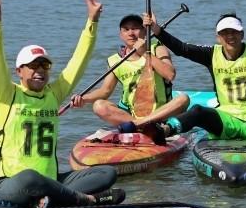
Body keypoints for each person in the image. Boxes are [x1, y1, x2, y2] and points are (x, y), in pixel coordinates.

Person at [0, 0, 123, 207]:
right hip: (12, 184)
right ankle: (83, 200)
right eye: (33, 66)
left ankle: (49, 200)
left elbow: (78, 62)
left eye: (45, 66)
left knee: (107, 173)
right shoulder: (7, 94)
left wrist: (92, 21)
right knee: (30, 177)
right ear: (19, 71)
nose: (40, 70)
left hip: (51, 182)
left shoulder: (53, 94)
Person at [148, 13, 246, 144]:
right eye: (225, 33)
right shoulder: (211, 54)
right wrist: (158, 31)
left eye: (234, 32)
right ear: (218, 37)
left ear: (242, 34)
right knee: (198, 111)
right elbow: (182, 49)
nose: (230, 36)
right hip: (225, 120)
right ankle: (165, 130)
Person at [67, 12, 190, 142]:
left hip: (161, 115)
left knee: (183, 99)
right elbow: (105, 91)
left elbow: (170, 74)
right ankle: (143, 126)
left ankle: (140, 126)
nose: (131, 33)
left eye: (135, 28)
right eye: (126, 29)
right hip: (132, 116)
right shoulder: (115, 60)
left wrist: (144, 52)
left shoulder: (157, 48)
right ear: (121, 35)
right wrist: (83, 99)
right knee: (98, 106)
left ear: (145, 31)